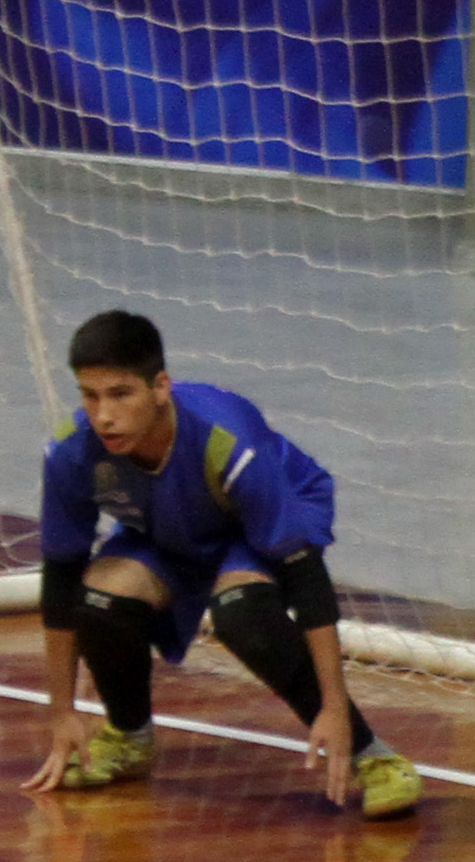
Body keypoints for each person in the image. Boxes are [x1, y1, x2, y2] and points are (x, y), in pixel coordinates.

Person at [25, 307, 423, 820]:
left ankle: (375, 758)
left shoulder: (226, 440)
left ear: (161, 387)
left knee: (242, 613)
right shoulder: (71, 451)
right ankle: (128, 737)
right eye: (90, 395)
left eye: (121, 394)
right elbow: (60, 577)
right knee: (98, 597)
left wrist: (334, 707)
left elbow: (306, 577)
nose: (103, 415)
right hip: (170, 529)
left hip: (255, 527)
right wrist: (62, 713)